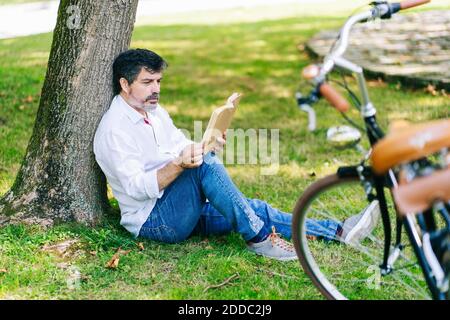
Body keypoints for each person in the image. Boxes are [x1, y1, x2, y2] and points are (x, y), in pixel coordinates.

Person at [93, 48, 380, 261]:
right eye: (147, 82)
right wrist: (182, 163)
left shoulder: (153, 111)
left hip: (182, 206)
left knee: (253, 208)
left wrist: (207, 142)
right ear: (124, 84)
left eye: (158, 81)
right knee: (205, 167)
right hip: (156, 222)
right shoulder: (114, 131)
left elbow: (179, 143)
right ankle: (258, 239)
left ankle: (340, 232)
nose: (156, 90)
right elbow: (137, 188)